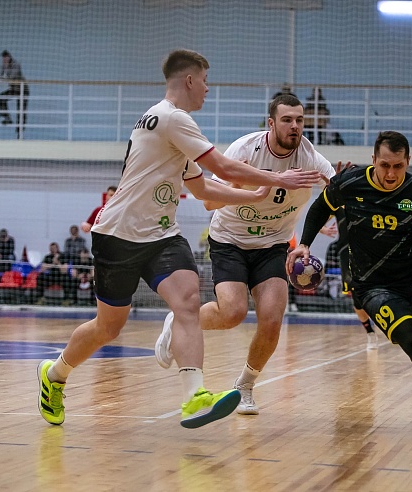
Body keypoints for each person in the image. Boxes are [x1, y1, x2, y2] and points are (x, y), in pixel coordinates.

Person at [36, 49, 320, 429]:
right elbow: (221, 167)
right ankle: (55, 374)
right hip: (119, 235)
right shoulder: (172, 118)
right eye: (204, 80)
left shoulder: (173, 127)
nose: (207, 88)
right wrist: (277, 179)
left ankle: (194, 395)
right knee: (108, 327)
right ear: (189, 80)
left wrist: (253, 197)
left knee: (188, 302)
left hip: (162, 235)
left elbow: (202, 188)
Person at [286, 131, 412, 435]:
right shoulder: (349, 183)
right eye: (384, 165)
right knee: (411, 339)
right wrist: (304, 244)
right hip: (372, 287)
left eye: (398, 166)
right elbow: (319, 208)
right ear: (373, 160)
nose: (391, 174)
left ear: (408, 161)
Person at [154, 93, 336, 417]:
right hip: (230, 240)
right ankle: (179, 320)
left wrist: (323, 220)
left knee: (272, 320)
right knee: (233, 313)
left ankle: (245, 385)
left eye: (299, 120)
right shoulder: (244, 150)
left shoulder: (311, 159)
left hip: (274, 244)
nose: (295, 126)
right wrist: (243, 188)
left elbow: (337, 195)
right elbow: (209, 202)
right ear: (271, 123)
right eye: (287, 120)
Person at [326, 209, 379, 350]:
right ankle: (370, 332)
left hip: (370, 251)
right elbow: (317, 218)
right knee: (357, 299)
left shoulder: (367, 201)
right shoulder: (337, 203)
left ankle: (383, 320)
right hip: (347, 254)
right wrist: (323, 229)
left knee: (376, 290)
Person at [0, 50, 29, 138]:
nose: (4, 60)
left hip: (23, 89)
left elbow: (12, 77)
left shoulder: (16, 64)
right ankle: (6, 117)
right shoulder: (3, 65)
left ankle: (20, 132)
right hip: (14, 89)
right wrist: (2, 70)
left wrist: (5, 70)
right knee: (1, 97)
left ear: (9, 57)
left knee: (21, 110)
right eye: (3, 58)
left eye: (6, 58)